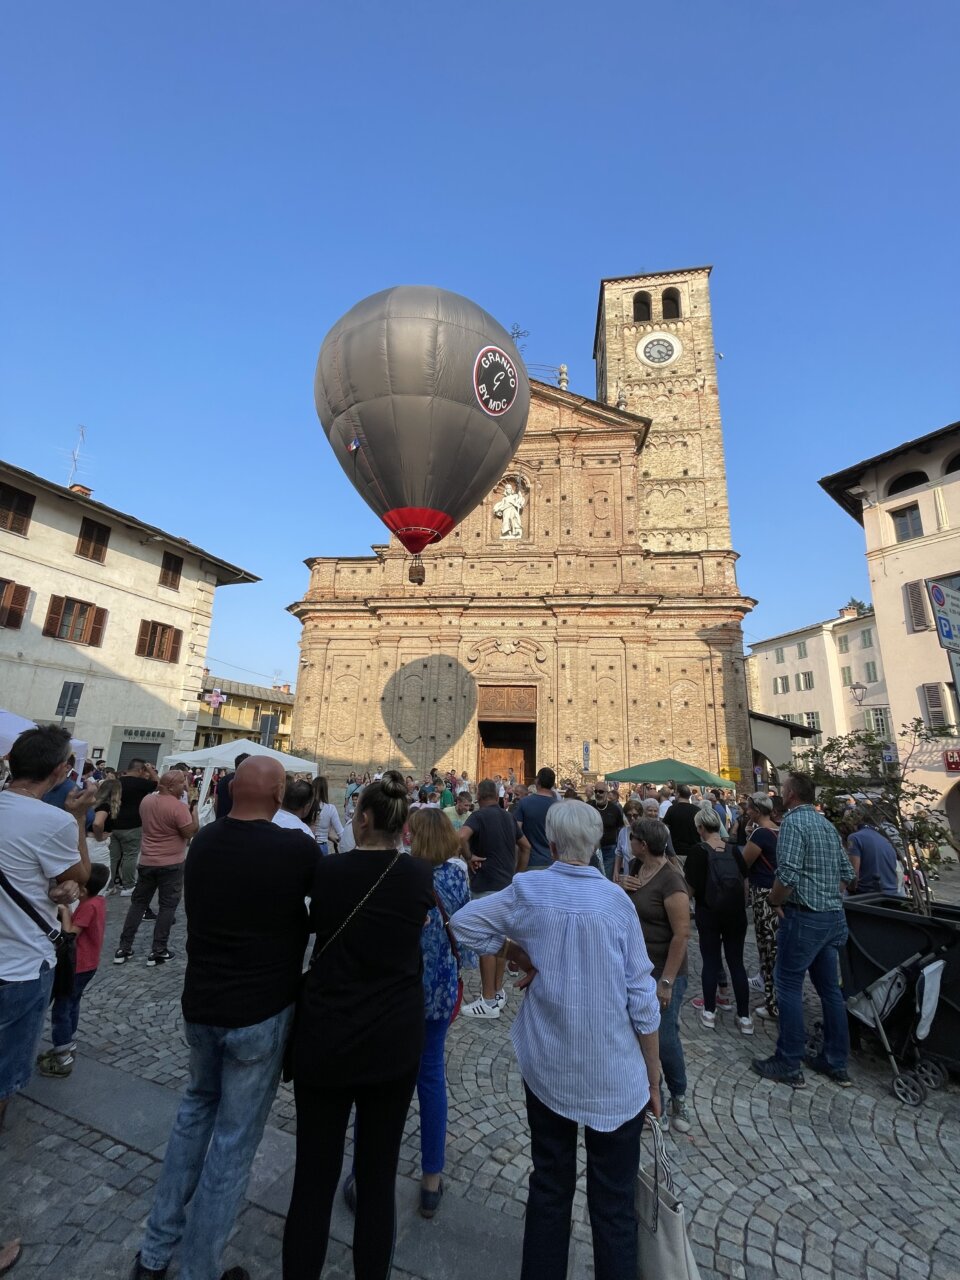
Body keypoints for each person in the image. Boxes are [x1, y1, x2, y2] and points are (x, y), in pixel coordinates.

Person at [450, 801, 661, 1280]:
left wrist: (515, 951)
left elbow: (463, 923)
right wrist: (653, 1076)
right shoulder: (615, 901)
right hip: (614, 1074)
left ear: (551, 838)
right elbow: (642, 997)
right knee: (614, 1206)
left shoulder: (530, 889)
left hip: (550, 1067)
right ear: (597, 843)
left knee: (549, 1186)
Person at [130, 757, 318, 1280]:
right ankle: (198, 1271)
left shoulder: (206, 841)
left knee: (192, 1117)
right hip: (259, 1014)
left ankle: (153, 1254)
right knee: (233, 1145)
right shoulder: (295, 848)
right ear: (280, 795)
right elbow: (321, 908)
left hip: (202, 1008)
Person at [282, 771, 434, 1280]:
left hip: (326, 1035)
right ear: (404, 825)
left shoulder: (326, 873)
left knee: (313, 1178)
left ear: (361, 818)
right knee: (377, 1178)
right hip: (392, 1042)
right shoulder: (418, 878)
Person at [0, 726, 93, 1133]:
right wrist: (76, 816)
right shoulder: (52, 821)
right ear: (59, 772)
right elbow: (82, 876)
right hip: (18, 965)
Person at [753, 772, 856, 1090]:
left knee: (788, 986)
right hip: (831, 916)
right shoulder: (826, 825)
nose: (780, 794)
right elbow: (847, 873)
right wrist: (828, 895)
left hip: (804, 917)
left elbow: (787, 874)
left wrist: (774, 900)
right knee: (830, 992)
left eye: (783, 790)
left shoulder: (794, 824)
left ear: (791, 795)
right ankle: (836, 1061)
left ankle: (788, 1061)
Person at [407, 808, 473, 1217]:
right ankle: (431, 1179)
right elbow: (464, 930)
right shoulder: (458, 875)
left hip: (398, 991)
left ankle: (364, 1171)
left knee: (382, 1080)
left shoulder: (400, 873)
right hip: (439, 991)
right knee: (431, 1077)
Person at [620, 818, 691, 1133]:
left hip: (664, 970)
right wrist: (620, 885)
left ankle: (678, 1096)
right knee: (639, 1036)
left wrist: (667, 982)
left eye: (633, 838)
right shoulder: (636, 868)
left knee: (664, 1038)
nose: (630, 842)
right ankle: (651, 1101)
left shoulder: (672, 881)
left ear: (644, 844)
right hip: (637, 967)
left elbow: (682, 935)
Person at [458, 778, 530, 1018]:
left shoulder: (478, 816)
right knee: (501, 942)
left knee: (485, 941)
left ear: (479, 796)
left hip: (485, 884)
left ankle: (487, 1000)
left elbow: (460, 838)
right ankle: (497, 992)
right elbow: (526, 846)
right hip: (506, 886)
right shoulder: (508, 816)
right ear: (497, 796)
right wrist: (517, 875)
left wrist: (469, 858)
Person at [114, 770, 198, 967]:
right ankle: (158, 950)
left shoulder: (147, 801)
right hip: (171, 862)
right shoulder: (178, 806)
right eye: (181, 784)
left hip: (147, 860)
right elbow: (189, 833)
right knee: (167, 906)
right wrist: (194, 815)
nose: (183, 788)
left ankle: (124, 947)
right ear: (170, 786)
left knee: (138, 904)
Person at [684, 807, 753, 1034]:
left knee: (711, 962)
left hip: (709, 913)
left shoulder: (698, 851)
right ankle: (745, 1018)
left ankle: (709, 1012)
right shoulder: (733, 850)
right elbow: (744, 883)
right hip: (735, 915)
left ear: (701, 828)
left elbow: (690, 889)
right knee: (737, 964)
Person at [37, 863, 110, 1076]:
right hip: (89, 964)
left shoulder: (88, 907)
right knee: (72, 1003)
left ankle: (62, 1056)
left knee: (62, 1007)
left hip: (78, 965)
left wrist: (63, 910)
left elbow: (70, 934)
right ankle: (69, 1044)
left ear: (84, 890)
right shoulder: (98, 901)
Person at [740, 793, 780, 1019]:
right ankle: (775, 994)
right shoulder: (778, 829)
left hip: (764, 893)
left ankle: (773, 1003)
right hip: (778, 890)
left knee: (767, 947)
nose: (746, 812)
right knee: (774, 946)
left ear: (756, 810)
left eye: (749, 809)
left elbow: (744, 862)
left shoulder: (760, 833)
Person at [100, 758, 158, 894]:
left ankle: (109, 885)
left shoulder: (116, 783)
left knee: (113, 857)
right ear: (140, 770)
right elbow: (159, 784)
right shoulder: (140, 783)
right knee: (130, 856)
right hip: (133, 825)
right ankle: (128, 885)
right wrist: (150, 769)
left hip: (113, 824)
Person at [845, 810, 900, 895]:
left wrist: (851, 888)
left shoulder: (855, 837)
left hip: (869, 893)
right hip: (892, 892)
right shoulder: (886, 840)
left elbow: (853, 872)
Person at [514, 767, 559, 871]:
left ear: (537, 781)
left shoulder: (524, 803)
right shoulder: (559, 806)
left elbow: (516, 831)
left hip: (530, 862)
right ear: (552, 784)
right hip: (553, 863)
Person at [587, 781, 625, 878]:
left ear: (607, 793)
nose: (598, 794)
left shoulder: (615, 809)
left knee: (606, 878)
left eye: (601, 792)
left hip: (609, 850)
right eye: (596, 792)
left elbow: (620, 827)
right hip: (592, 849)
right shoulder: (588, 806)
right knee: (593, 877)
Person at [662, 783, 702, 859]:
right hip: (695, 851)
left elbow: (665, 829)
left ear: (678, 794)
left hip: (677, 851)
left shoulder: (672, 809)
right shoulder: (697, 810)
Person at [212, 751, 250, 819]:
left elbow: (216, 803)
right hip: (236, 823)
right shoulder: (245, 781)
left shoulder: (223, 780)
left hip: (221, 820)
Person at [611, 798, 642, 880]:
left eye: (635, 815)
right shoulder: (623, 831)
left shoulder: (646, 831)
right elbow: (619, 853)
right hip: (627, 874)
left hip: (643, 875)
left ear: (641, 815)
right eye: (629, 815)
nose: (632, 818)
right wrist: (616, 872)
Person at [312, 775, 343, 853]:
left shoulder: (306, 806)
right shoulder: (330, 808)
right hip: (322, 846)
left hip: (308, 844)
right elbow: (341, 832)